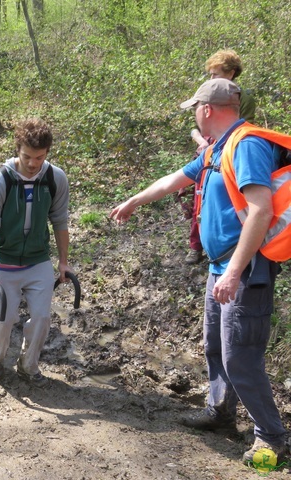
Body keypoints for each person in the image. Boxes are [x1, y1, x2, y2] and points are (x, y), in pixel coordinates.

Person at [110, 78, 288, 465]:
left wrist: (234, 272)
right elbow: (176, 179)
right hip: (220, 267)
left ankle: (271, 436)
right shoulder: (216, 150)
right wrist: (135, 200)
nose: (194, 113)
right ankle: (220, 410)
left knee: (241, 357)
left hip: (245, 271)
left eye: (195, 108)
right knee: (215, 347)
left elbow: (261, 210)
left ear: (206, 109)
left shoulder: (247, 145)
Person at [0, 118, 72, 388]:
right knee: (5, 318)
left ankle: (28, 366)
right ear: (17, 149)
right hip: (4, 260)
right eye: (27, 157)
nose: (33, 163)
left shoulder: (55, 178)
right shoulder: (1, 180)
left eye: (40, 157)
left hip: (37, 259)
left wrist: (64, 262)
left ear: (47, 153)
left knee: (42, 318)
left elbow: (60, 221)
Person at [184, 49, 256, 264]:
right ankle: (196, 245)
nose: (212, 78)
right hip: (206, 150)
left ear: (231, 73)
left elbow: (241, 127)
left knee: (223, 199)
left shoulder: (243, 97)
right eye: (211, 75)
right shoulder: (206, 93)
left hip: (228, 151)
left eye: (216, 74)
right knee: (198, 196)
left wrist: (217, 146)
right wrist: (203, 143)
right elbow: (194, 127)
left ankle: (231, 247)